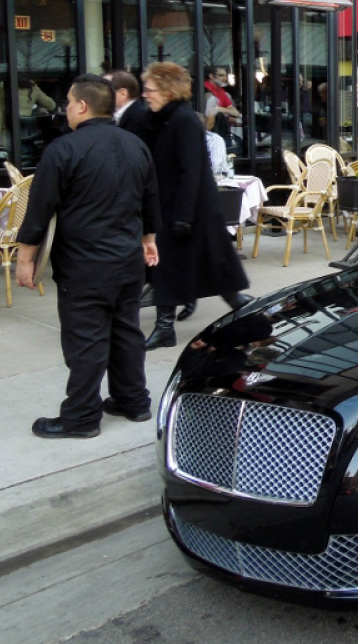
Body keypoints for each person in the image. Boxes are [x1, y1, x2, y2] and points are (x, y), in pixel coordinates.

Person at [15, 74, 161, 439]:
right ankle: (134, 401)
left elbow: (39, 209)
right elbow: (150, 200)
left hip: (84, 264)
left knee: (86, 340)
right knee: (127, 332)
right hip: (127, 260)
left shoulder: (63, 149)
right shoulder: (136, 145)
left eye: (67, 101)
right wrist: (149, 240)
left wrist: (24, 258)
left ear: (82, 105)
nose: (65, 108)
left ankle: (80, 417)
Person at [141, 62, 252, 347]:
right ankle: (168, 326)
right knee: (191, 268)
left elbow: (193, 170)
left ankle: (247, 312)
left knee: (211, 269)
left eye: (150, 89)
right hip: (177, 208)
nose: (145, 94)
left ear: (167, 91)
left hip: (188, 210)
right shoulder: (166, 118)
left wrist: (183, 215)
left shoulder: (183, 120)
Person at [106, 70, 152, 142]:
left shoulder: (140, 117)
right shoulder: (115, 115)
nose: (102, 95)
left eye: (106, 91)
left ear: (123, 94)